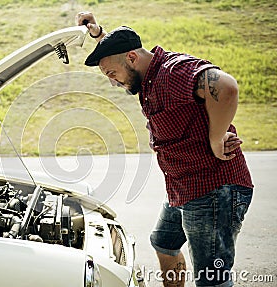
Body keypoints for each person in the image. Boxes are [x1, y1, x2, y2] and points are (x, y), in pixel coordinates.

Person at [76, 12, 253, 287]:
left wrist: (217, 138)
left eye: (112, 74)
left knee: (212, 280)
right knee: (163, 241)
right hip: (184, 187)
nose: (113, 81)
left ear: (132, 59)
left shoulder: (172, 73)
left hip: (213, 190)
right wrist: (99, 35)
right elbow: (120, 49)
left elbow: (226, 87)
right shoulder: (146, 75)